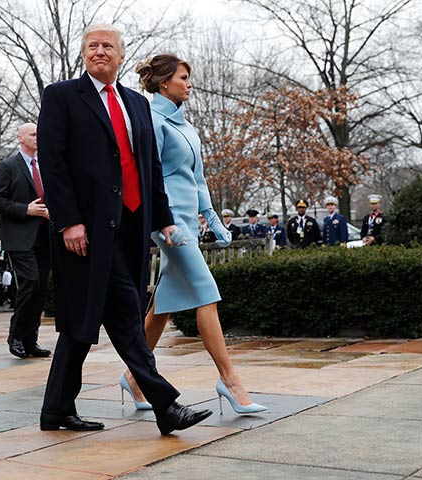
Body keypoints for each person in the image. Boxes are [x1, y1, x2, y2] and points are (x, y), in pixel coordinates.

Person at [38, 23, 212, 435]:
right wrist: (69, 222)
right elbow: (53, 162)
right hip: (85, 233)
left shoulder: (136, 103)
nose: (100, 51)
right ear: (84, 54)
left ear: (120, 56)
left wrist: (165, 220)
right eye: (92, 46)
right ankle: (166, 405)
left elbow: (149, 168)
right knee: (125, 321)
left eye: (108, 46)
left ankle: (55, 409)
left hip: (130, 229)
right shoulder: (62, 96)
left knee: (84, 325)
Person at [122, 53, 266, 416]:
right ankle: (229, 380)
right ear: (162, 82)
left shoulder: (187, 126)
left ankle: (134, 376)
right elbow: (147, 177)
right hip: (168, 223)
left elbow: (197, 179)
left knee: (162, 307)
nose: (189, 83)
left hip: (188, 220)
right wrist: (163, 221)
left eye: (189, 77)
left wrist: (214, 221)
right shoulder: (151, 120)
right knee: (206, 293)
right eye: (183, 77)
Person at [0, 122, 52, 359]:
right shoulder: (8, 166)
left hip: (45, 237)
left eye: (39, 133)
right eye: (33, 134)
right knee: (30, 283)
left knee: (39, 289)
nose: (38, 137)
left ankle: (30, 341)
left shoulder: (45, 166)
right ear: (21, 138)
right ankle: (15, 336)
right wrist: (26, 209)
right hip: (19, 238)